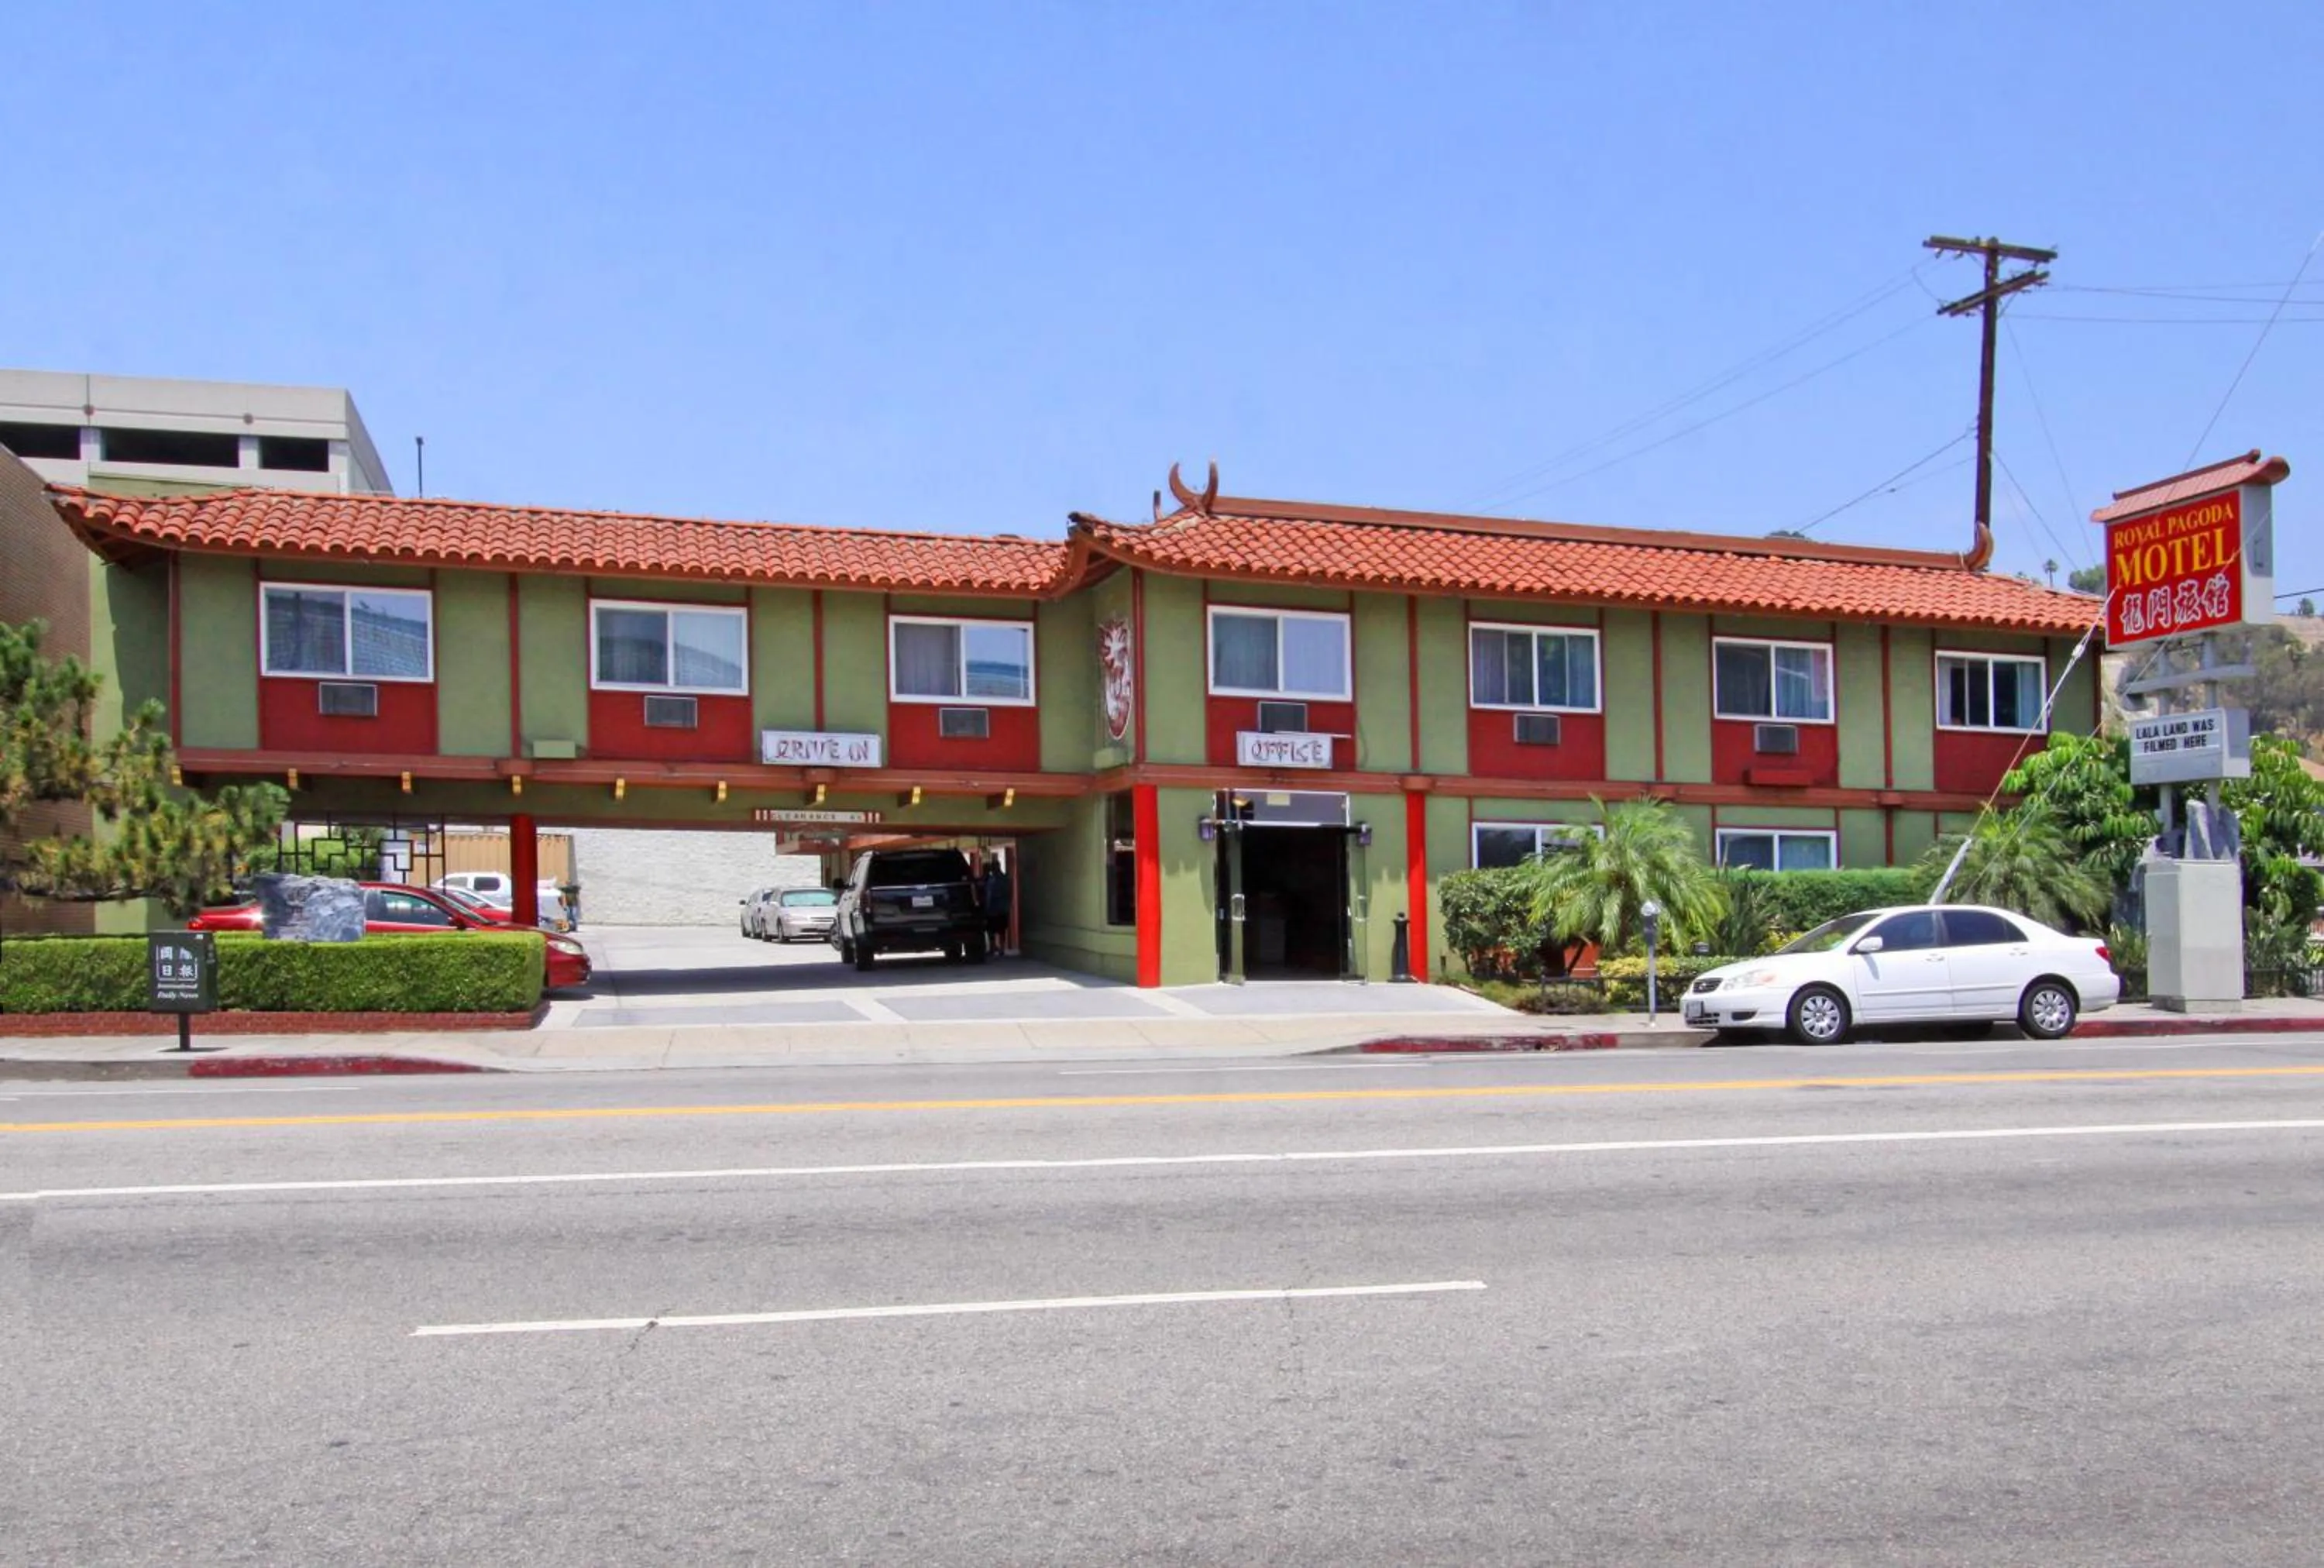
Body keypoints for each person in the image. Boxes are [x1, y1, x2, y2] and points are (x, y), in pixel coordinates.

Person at [982, 857, 1012, 956]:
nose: (992, 870)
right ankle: (998, 948)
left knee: (995, 930)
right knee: (999, 930)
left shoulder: (995, 880)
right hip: (1001, 908)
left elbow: (990, 895)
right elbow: (1009, 893)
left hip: (995, 909)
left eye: (993, 868)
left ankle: (995, 948)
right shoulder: (1004, 879)